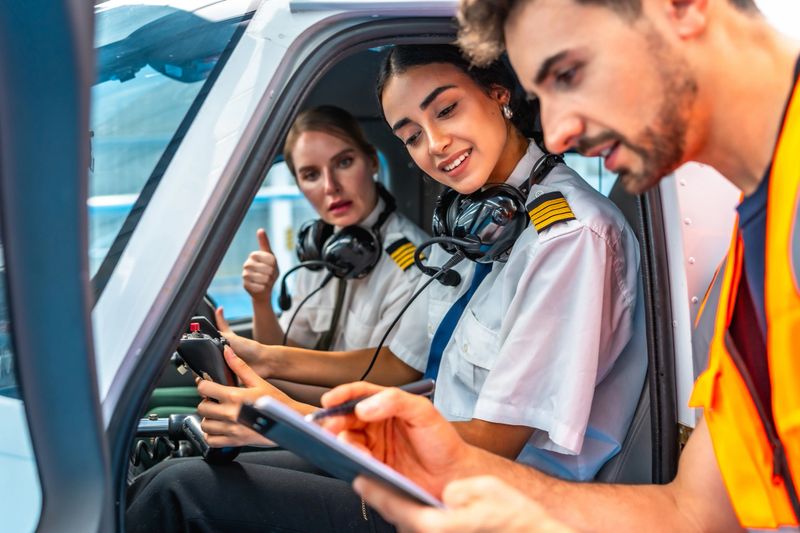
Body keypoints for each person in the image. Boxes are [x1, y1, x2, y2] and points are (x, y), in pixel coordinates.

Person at [321, 0, 800, 531]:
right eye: (410, 136)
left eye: (569, 74)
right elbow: (696, 512)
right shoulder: (754, 249)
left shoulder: (578, 232)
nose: (558, 131)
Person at [125, 44, 645, 531]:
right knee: (179, 472)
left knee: (179, 491)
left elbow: (494, 444)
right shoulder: (477, 223)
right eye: (411, 135)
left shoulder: (572, 237)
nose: (435, 145)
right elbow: (402, 365)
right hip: (429, 466)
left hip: (490, 503)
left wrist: (289, 418)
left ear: (498, 93)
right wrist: (264, 358)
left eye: (445, 110)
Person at [229, 105, 429, 350]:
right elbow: (286, 352)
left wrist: (263, 365)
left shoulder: (416, 265)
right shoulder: (317, 250)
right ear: (300, 186)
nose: (330, 186)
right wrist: (261, 300)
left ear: (373, 162)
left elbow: (382, 378)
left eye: (344, 162)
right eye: (311, 175)